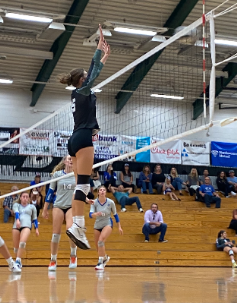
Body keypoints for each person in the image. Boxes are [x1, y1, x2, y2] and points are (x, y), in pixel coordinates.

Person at [59, 25, 110, 249]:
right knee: (83, 184)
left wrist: (104, 58)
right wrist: (98, 49)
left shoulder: (78, 92)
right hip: (82, 138)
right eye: (87, 77)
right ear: (81, 80)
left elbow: (95, 73)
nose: (90, 78)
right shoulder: (82, 90)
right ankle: (77, 226)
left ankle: (77, 225)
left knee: (81, 185)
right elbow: (93, 71)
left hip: (74, 138)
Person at [42, 155, 78, 271]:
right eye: (69, 159)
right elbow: (50, 192)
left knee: (70, 230)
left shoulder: (76, 175)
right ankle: (53, 260)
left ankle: (73, 256)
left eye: (72, 159)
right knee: (55, 234)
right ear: (65, 162)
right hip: (58, 205)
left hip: (71, 206)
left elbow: (80, 191)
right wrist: (45, 209)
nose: (71, 160)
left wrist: (86, 200)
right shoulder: (57, 175)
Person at [89, 186, 123, 270]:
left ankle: (100, 262)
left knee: (101, 241)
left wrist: (119, 227)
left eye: (104, 190)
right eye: (100, 190)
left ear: (105, 192)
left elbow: (115, 215)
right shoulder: (94, 202)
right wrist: (96, 214)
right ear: (98, 192)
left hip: (107, 223)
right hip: (97, 225)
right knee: (98, 246)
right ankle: (105, 257)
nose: (102, 191)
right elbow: (90, 215)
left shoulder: (110, 202)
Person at [12, 192, 39, 273]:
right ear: (20, 198)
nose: (25, 198)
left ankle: (17, 261)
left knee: (22, 243)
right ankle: (16, 265)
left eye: (27, 197)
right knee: (16, 248)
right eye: (23, 196)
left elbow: (34, 218)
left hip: (27, 226)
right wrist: (17, 220)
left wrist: (36, 228)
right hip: (16, 226)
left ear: (29, 198)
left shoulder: (32, 207)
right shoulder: (16, 205)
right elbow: (16, 212)